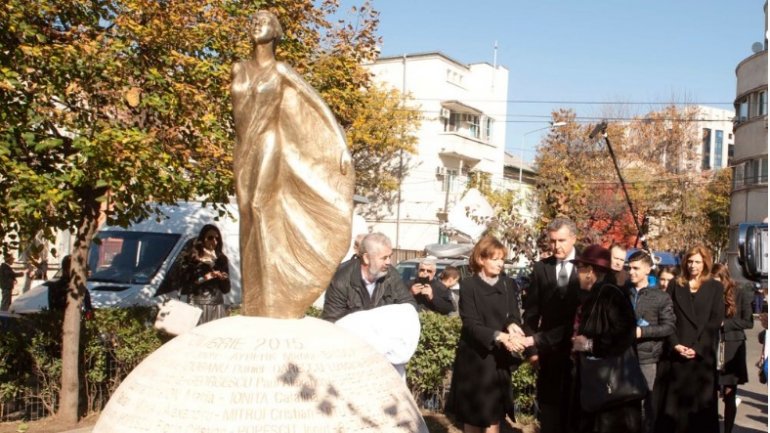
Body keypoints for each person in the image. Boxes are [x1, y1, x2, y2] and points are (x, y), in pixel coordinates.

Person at [231, 11, 355, 318]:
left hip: (270, 143)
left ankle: (276, 293)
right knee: (245, 213)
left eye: (263, 22)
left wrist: (340, 146)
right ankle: (254, 299)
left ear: (275, 32)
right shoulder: (239, 69)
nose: (255, 24)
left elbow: (317, 104)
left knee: (261, 206)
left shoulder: (281, 69)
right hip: (243, 147)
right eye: (253, 21)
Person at [447, 236, 524, 433]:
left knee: (493, 418)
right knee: (473, 418)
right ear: (481, 259)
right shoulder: (468, 286)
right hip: (475, 360)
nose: (500, 263)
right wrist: (500, 336)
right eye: (495, 258)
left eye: (502, 259)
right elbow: (471, 324)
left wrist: (513, 325)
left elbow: (512, 314)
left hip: (498, 359)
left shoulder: (508, 284)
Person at [569, 244, 642, 433]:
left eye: (580, 269)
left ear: (590, 272)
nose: (577, 274)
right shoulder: (595, 294)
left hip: (612, 391)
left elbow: (625, 330)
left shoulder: (608, 293)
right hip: (599, 386)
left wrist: (590, 344)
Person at [521, 217, 581, 433]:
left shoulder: (586, 266)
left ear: (574, 238)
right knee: (549, 414)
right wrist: (532, 350)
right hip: (548, 352)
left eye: (562, 240)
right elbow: (531, 314)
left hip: (579, 352)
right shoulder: (541, 269)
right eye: (553, 241)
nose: (557, 246)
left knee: (576, 413)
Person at [657, 245, 724, 433]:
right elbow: (666, 317)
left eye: (697, 262)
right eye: (690, 261)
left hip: (701, 358)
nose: (693, 265)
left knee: (699, 414)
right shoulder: (675, 284)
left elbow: (714, 320)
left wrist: (698, 347)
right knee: (674, 413)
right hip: (677, 354)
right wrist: (675, 343)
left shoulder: (715, 287)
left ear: (705, 263)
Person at [626, 251, 675, 433]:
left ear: (647, 269)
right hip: (623, 357)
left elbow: (669, 327)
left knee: (645, 407)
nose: (631, 272)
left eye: (636, 268)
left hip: (647, 359)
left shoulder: (660, 297)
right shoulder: (623, 292)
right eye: (629, 268)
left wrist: (643, 331)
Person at [322, 233, 416, 323]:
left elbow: (409, 306)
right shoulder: (342, 280)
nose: (388, 262)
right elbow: (331, 320)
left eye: (389, 257)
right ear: (366, 258)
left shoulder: (392, 275)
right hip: (350, 337)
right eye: (384, 258)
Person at [712, 263, 753, 433]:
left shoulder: (740, 293)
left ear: (724, 278)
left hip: (732, 346)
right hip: (712, 346)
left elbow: (748, 322)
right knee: (710, 393)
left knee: (730, 393)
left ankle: (727, 430)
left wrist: (725, 323)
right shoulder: (708, 294)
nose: (714, 285)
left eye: (717, 281)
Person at [180, 225, 231, 325]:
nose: (214, 241)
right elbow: (186, 288)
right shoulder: (192, 259)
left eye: (217, 238)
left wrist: (223, 278)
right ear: (202, 238)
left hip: (217, 306)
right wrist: (205, 278)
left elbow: (226, 289)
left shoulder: (221, 259)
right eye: (210, 238)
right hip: (198, 306)